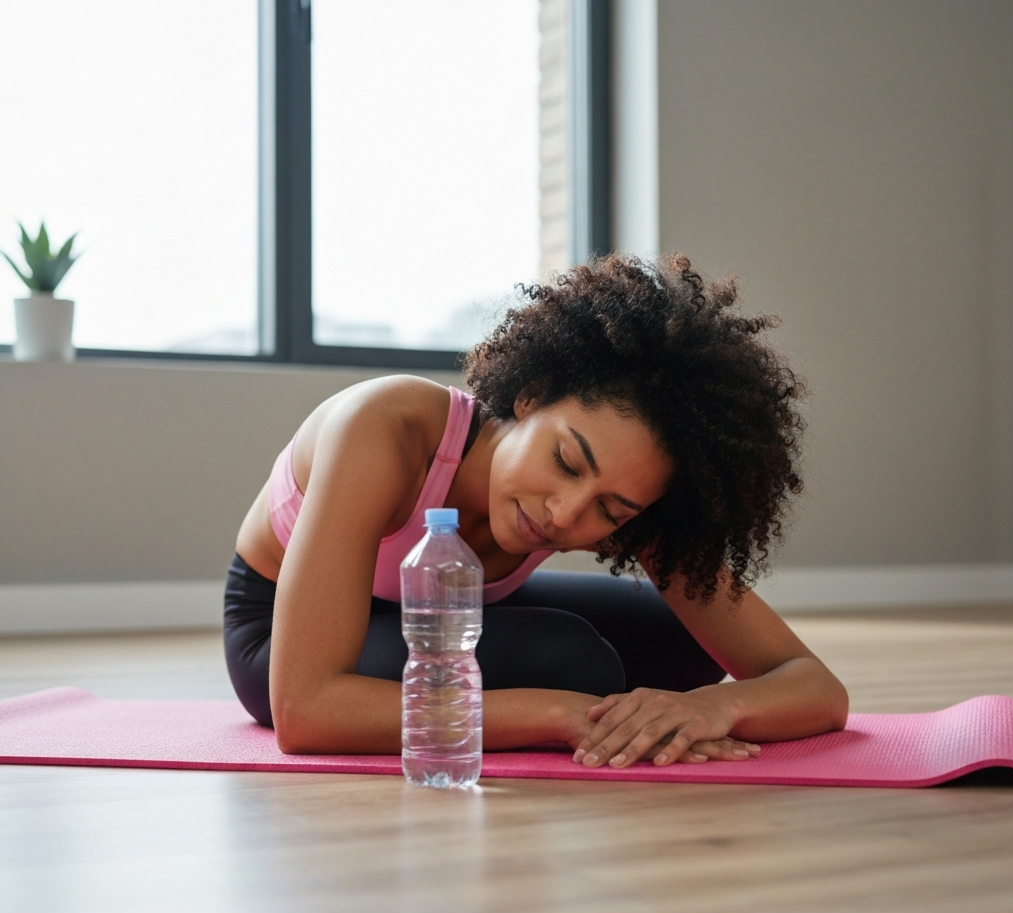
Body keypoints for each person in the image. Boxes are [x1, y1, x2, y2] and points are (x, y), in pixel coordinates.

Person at [224, 254, 848, 769]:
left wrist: (715, 709)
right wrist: (556, 714)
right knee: (576, 663)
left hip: (448, 611)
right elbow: (305, 713)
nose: (565, 515)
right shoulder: (386, 427)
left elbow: (814, 687)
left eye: (611, 508)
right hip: (277, 634)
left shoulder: (628, 494)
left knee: (684, 641)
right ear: (529, 396)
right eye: (567, 462)